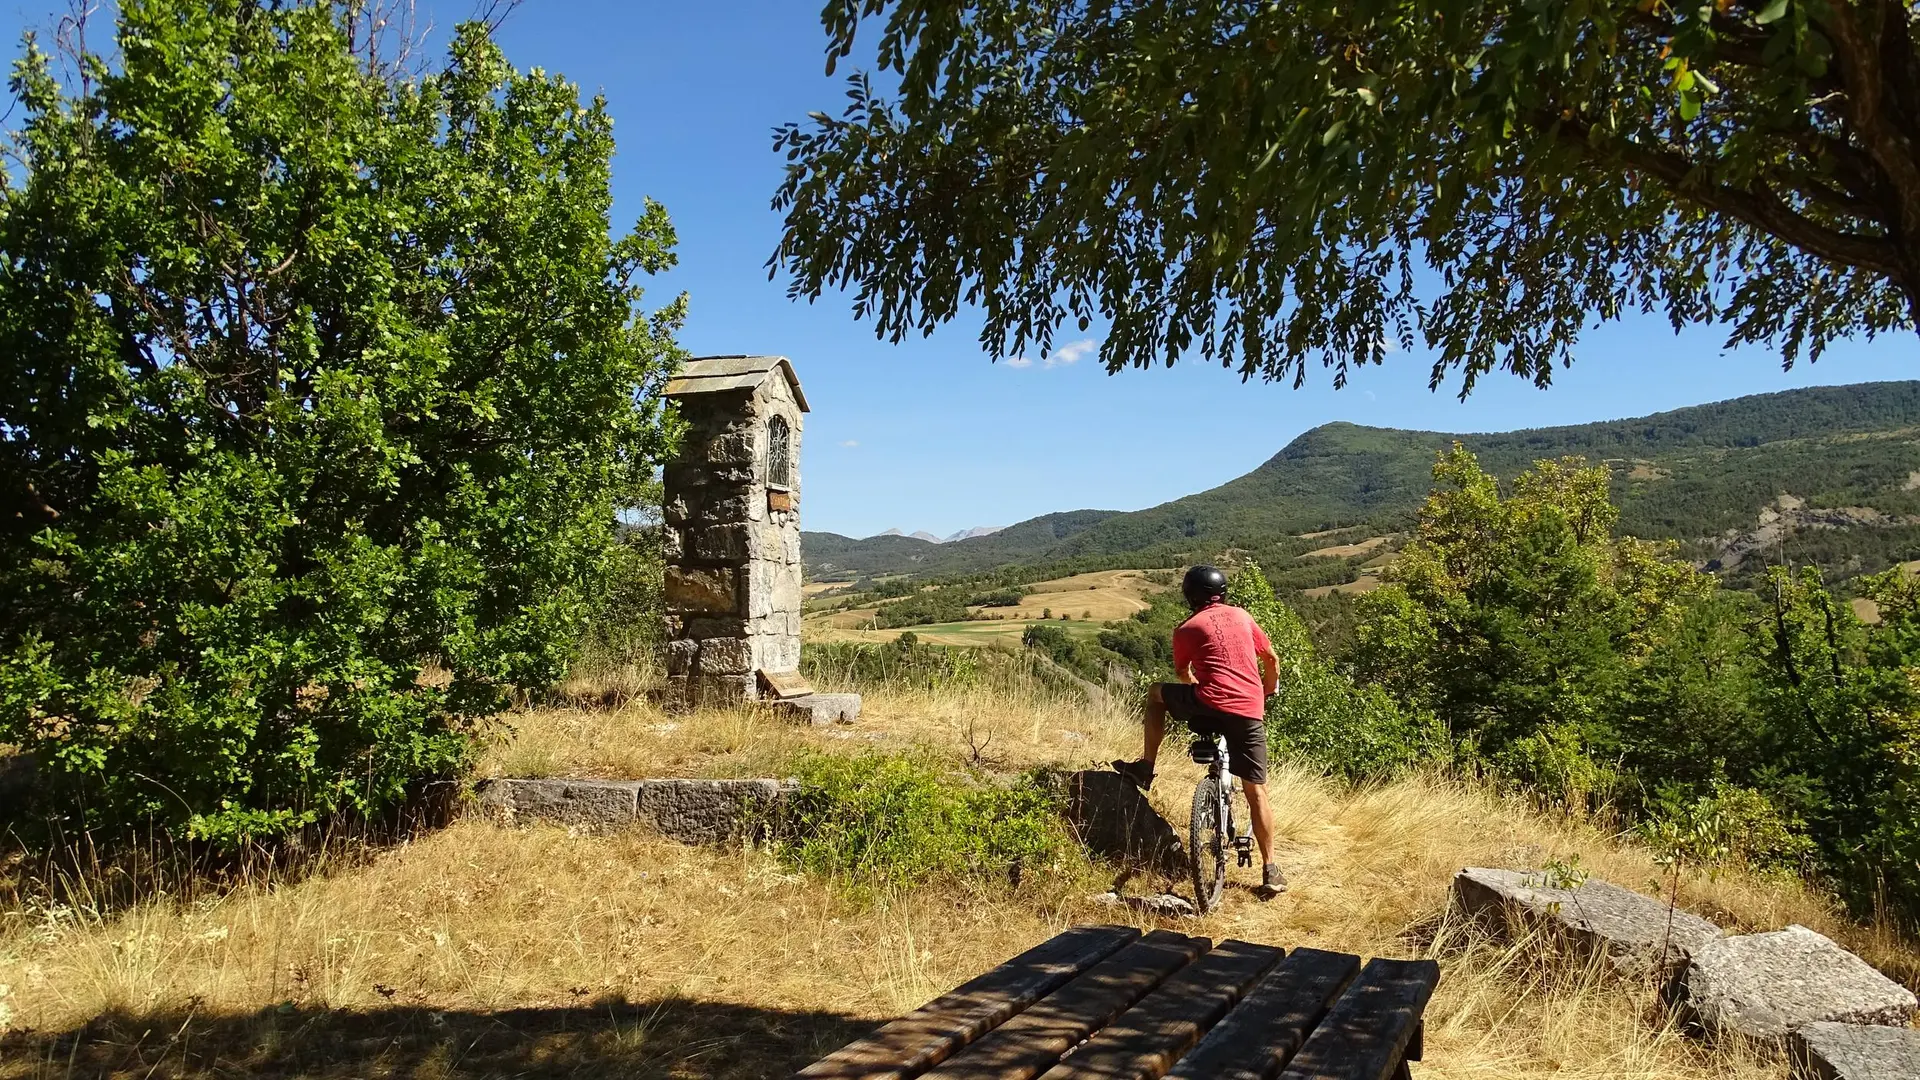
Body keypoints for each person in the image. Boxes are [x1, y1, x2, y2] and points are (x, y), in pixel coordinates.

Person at [1112, 564, 1287, 899]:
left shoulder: (1186, 628)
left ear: (1190, 596)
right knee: (1257, 792)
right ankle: (1271, 869)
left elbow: (1182, 673)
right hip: (1248, 711)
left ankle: (1146, 767)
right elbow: (1272, 659)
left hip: (1207, 704)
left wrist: (1197, 690)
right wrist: (1266, 690)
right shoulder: (1242, 616)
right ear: (1223, 593)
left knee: (1155, 694)